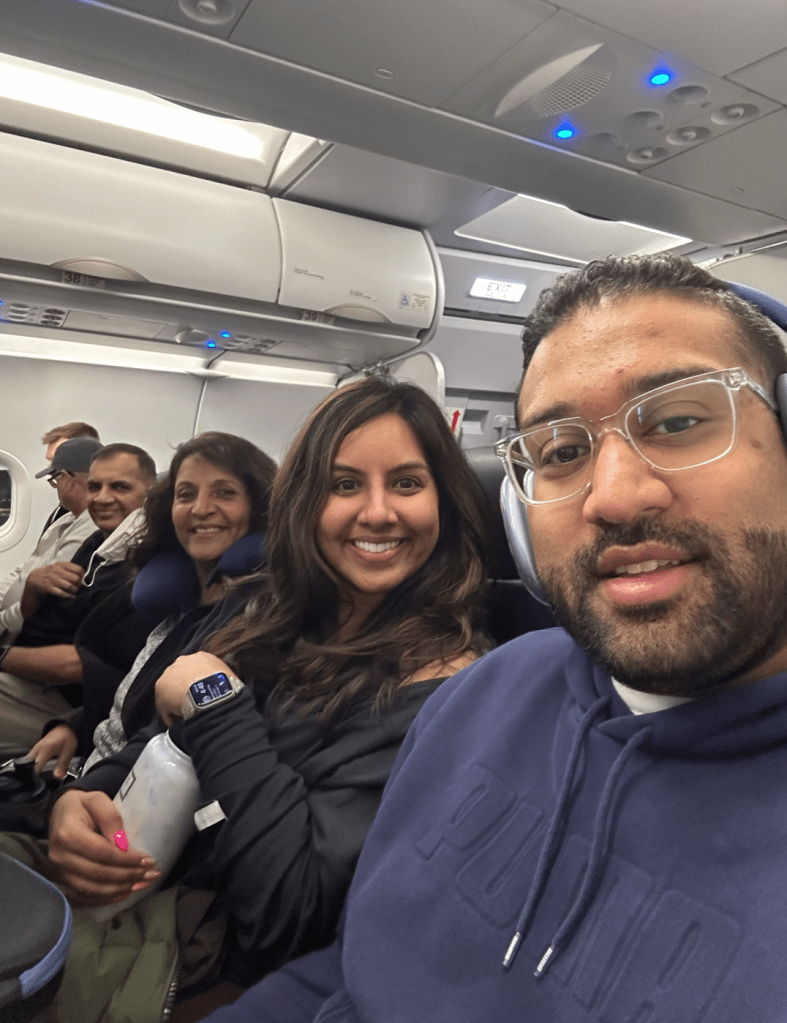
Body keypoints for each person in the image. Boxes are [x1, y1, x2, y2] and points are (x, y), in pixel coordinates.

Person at [204, 253, 787, 1023]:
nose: (613, 497)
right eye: (562, 451)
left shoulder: (443, 674)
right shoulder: (487, 692)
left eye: (677, 421)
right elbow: (351, 967)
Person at [32, 376, 492, 1021]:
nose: (378, 511)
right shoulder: (264, 606)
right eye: (344, 484)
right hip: (141, 876)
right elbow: (163, 736)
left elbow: (289, 911)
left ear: (444, 503)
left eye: (407, 483)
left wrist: (213, 699)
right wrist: (86, 798)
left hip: (200, 956)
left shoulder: (449, 687)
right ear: (305, 502)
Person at [29, 431, 277, 778]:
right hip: (91, 766)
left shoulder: (258, 622)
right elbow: (129, 694)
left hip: (125, 801)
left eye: (225, 492)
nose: (201, 508)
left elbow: (173, 741)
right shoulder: (171, 598)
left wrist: (87, 789)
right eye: (186, 494)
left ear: (258, 507)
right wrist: (76, 726)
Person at [0, 443, 155, 752]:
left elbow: (77, 664)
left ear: (151, 495)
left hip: (70, 703)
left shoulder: (145, 570)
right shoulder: (97, 545)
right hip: (32, 675)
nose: (102, 497)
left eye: (120, 487)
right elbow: (49, 618)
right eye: (94, 487)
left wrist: (2, 655)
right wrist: (31, 589)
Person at [0, 436, 102, 642]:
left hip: (20, 630)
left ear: (70, 481)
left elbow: (45, 599)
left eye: (55, 480)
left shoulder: (91, 527)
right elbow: (25, 568)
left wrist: (2, 622)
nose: (55, 487)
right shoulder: (65, 519)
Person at [39, 421, 101, 534]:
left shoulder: (94, 516)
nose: (51, 466)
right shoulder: (64, 510)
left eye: (58, 456)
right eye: (50, 460)